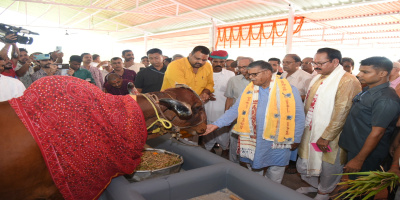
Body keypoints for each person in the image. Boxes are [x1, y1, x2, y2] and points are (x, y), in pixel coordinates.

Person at [203, 60, 305, 183]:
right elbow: (236, 110)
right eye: (249, 74)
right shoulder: (249, 90)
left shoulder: (289, 89)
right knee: (254, 169)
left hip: (278, 139)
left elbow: (299, 116)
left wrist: (297, 138)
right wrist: (215, 124)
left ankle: (271, 193)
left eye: (254, 74)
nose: (250, 78)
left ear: (267, 73)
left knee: (275, 170)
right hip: (254, 138)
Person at [296, 48, 361, 200]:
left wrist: (326, 136)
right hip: (311, 130)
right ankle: (315, 186)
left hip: (332, 135)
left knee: (328, 166)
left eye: (320, 63)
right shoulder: (319, 77)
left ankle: (324, 192)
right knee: (304, 163)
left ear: (335, 62)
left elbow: (342, 111)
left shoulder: (348, 80)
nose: (315, 66)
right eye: (314, 62)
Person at [339, 57, 400, 177]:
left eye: (365, 72)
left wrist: (359, 159)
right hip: (357, 146)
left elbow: (377, 133)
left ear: (382, 74)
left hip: (367, 153)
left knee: (360, 190)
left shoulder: (386, 99)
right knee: (353, 183)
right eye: (360, 70)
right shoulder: (368, 89)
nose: (359, 74)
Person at [203, 50, 235, 158]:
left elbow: (231, 94)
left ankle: (225, 148)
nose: (218, 64)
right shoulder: (204, 73)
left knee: (224, 130)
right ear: (211, 61)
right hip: (206, 107)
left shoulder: (230, 74)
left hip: (223, 108)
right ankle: (209, 148)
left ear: (225, 62)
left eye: (221, 62)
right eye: (215, 61)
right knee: (207, 128)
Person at [224, 57, 253, 163]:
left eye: (245, 67)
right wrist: (226, 117)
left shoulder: (260, 80)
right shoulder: (233, 80)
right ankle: (233, 166)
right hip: (237, 118)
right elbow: (229, 99)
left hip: (254, 119)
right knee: (234, 143)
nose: (242, 70)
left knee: (251, 145)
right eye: (239, 67)